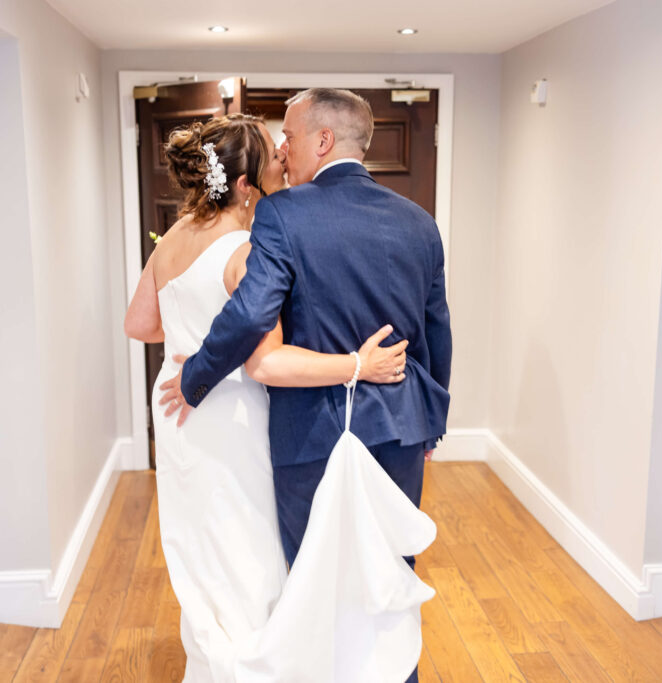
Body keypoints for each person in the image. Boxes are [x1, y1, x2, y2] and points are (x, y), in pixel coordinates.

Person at [160, 88, 452, 683]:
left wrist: (194, 378)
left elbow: (248, 315)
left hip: (311, 431)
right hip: (400, 428)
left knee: (314, 583)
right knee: (389, 576)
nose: (282, 151)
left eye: (289, 136)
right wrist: (433, 422)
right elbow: (436, 334)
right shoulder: (421, 223)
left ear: (323, 140)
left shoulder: (282, 213)